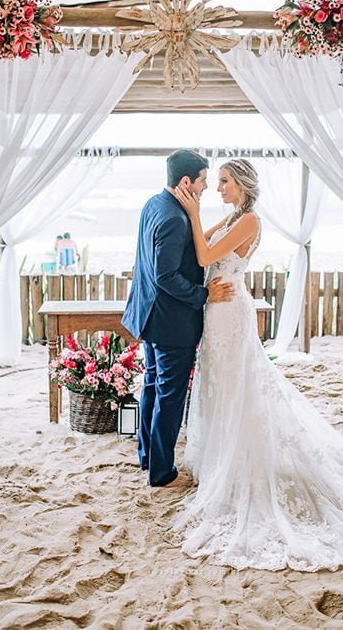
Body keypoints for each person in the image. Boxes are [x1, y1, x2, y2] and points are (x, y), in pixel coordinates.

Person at [167, 158, 343, 571]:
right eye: (217, 182)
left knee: (238, 385)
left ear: (242, 184)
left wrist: (194, 213)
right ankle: (223, 460)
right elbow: (200, 248)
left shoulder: (249, 220)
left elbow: (204, 255)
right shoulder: (232, 217)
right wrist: (193, 217)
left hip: (230, 312)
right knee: (222, 385)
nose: (218, 188)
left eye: (225, 181)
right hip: (217, 312)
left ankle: (245, 463)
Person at [122, 150, 235, 489]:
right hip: (172, 322)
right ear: (186, 181)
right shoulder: (175, 218)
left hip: (150, 315)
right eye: (203, 180)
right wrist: (204, 295)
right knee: (169, 398)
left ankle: (148, 456)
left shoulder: (155, 204)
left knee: (153, 385)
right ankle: (162, 473)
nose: (205, 187)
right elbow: (166, 276)